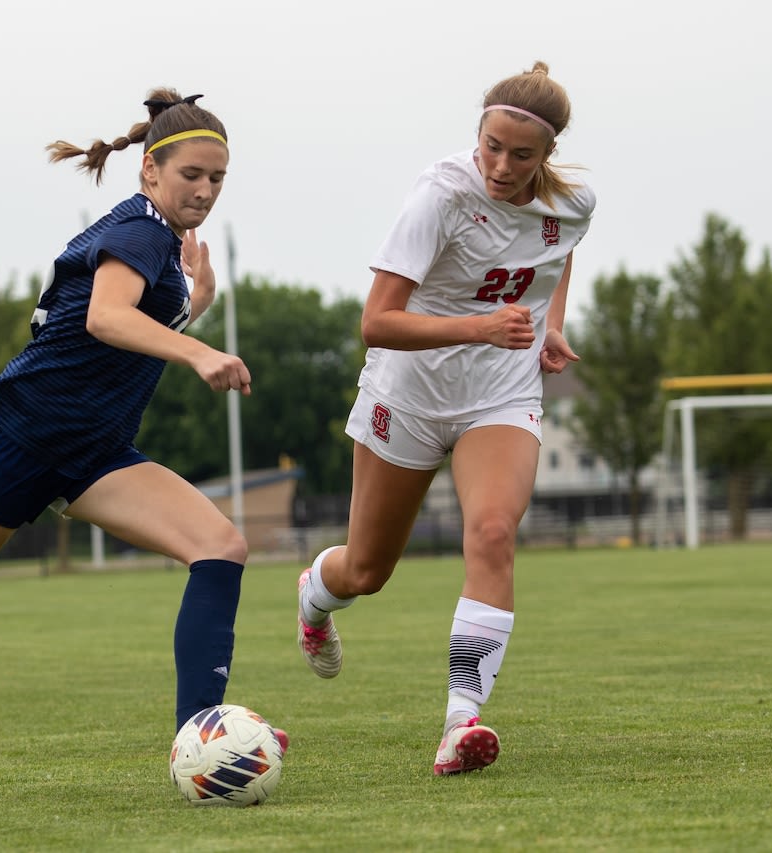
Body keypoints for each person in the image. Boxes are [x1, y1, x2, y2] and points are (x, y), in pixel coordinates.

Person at [0, 88, 285, 807]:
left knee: (220, 546)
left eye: (218, 179)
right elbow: (105, 318)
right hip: (19, 439)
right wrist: (196, 350)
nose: (205, 190)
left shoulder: (157, 242)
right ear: (150, 173)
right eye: (192, 174)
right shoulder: (138, 231)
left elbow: (136, 321)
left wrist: (196, 300)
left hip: (94, 453)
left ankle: (200, 737)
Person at [295, 61, 596, 776]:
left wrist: (552, 321)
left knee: (493, 532)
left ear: (546, 156)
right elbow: (376, 322)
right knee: (366, 570)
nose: (499, 165)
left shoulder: (577, 201)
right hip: (409, 395)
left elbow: (561, 248)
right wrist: (480, 328)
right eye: (490, 145)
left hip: (500, 394)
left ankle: (462, 722)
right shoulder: (441, 195)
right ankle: (312, 599)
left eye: (520, 155)